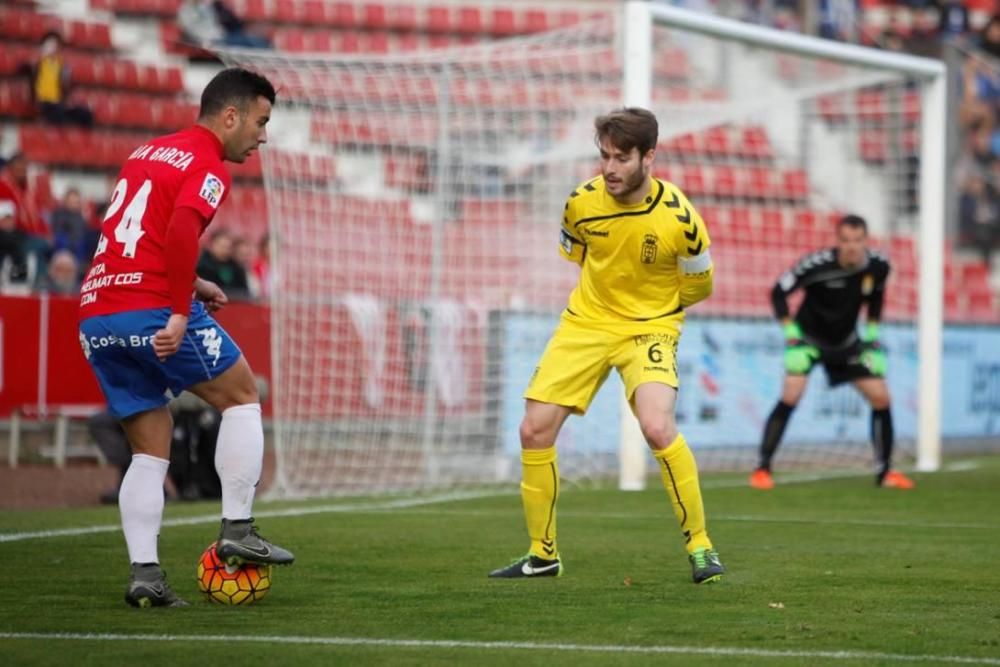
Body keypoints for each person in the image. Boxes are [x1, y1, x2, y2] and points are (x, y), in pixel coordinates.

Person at [78, 67, 294, 608]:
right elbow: (176, 232)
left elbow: (135, 236)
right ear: (230, 116)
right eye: (260, 122)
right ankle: (239, 528)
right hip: (152, 311)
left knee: (151, 445)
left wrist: (194, 283)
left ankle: (145, 574)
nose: (263, 135)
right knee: (242, 396)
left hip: (99, 311)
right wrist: (180, 310)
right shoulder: (207, 163)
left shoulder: (148, 152)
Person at [488, 108, 725, 585]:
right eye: (604, 156)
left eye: (621, 158)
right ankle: (543, 554)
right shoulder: (580, 203)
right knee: (533, 430)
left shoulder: (681, 219)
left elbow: (699, 287)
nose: (610, 168)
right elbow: (578, 255)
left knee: (658, 427)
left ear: (649, 157)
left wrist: (654, 311)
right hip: (587, 324)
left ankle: (701, 547)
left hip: (652, 328)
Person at [749, 215, 915, 491]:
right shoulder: (816, 265)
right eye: (845, 241)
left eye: (857, 241)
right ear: (837, 241)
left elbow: (876, 298)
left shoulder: (879, 266)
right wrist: (792, 337)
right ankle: (762, 469)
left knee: (881, 397)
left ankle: (885, 472)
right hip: (809, 341)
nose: (851, 247)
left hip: (846, 343)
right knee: (791, 394)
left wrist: (872, 338)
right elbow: (778, 293)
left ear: (865, 240)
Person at [27, 31, 93, 127]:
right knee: (58, 113)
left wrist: (68, 100)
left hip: (59, 103)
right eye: (49, 44)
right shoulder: (38, 64)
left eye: (55, 45)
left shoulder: (62, 65)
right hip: (45, 103)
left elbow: (66, 86)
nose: (52, 48)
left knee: (85, 114)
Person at [197, 228, 251, 299]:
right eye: (222, 246)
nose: (224, 250)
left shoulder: (237, 267)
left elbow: (244, 291)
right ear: (212, 245)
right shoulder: (202, 266)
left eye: (227, 247)